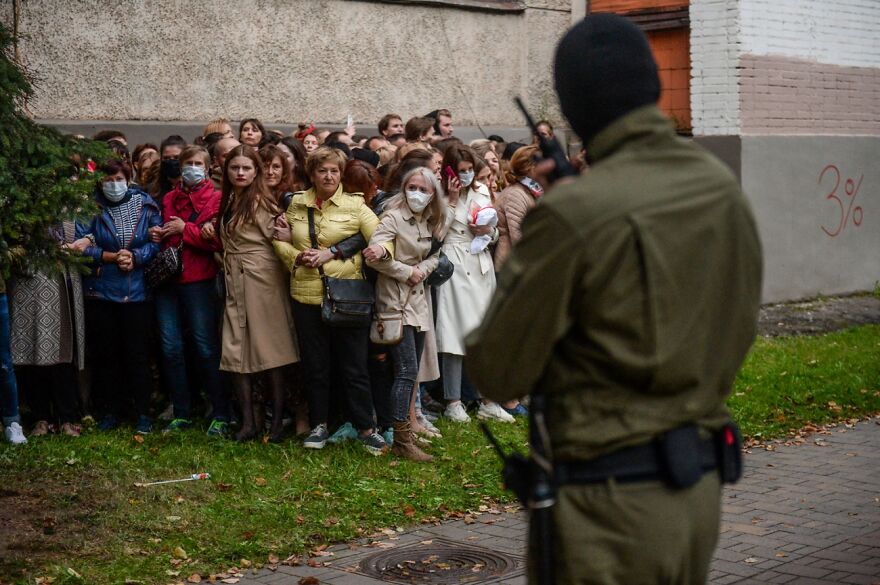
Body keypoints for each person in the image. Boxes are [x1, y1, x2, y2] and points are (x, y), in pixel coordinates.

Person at [464, 15, 763, 585]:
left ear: (574, 111)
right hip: (697, 489)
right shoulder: (721, 188)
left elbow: (498, 370)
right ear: (654, 85)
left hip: (606, 510)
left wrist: (559, 224)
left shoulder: (573, 216)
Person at [272, 146, 387, 455]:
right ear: (312, 173)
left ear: (341, 173)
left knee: (354, 366)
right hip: (305, 295)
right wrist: (297, 256)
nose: (328, 175)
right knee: (316, 365)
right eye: (322, 170)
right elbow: (279, 242)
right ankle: (319, 424)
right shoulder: (296, 204)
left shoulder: (355, 205)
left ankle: (366, 427)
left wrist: (331, 253)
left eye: (334, 170)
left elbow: (381, 236)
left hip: (347, 296)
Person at [217, 145, 300, 442]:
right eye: (234, 168)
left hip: (262, 281)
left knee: (271, 351)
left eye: (246, 168)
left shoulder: (262, 203)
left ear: (256, 172)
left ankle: (276, 423)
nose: (240, 173)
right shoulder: (228, 200)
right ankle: (249, 423)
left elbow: (279, 242)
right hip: (235, 279)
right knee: (235, 350)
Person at [363, 167, 446, 461]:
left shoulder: (433, 220)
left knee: (412, 374)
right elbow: (374, 253)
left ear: (433, 193)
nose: (417, 194)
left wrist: (420, 271)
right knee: (406, 370)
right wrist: (405, 271)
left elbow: (436, 255)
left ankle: (407, 433)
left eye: (424, 189)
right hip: (394, 302)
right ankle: (401, 438)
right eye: (412, 187)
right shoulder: (393, 216)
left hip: (419, 302)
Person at [149, 145, 230, 437]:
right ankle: (181, 411)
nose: (192, 168)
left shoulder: (217, 199)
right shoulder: (169, 198)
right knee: (170, 347)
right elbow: (165, 234)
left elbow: (218, 242)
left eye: (198, 163)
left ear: (208, 168)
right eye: (188, 163)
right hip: (168, 281)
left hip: (199, 279)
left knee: (205, 346)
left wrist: (185, 229)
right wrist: (157, 234)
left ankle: (221, 411)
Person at [78, 159, 162, 434]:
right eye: (108, 179)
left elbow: (155, 242)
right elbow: (80, 246)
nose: (114, 184)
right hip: (101, 290)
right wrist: (109, 257)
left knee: (137, 354)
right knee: (106, 354)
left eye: (119, 178)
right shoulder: (90, 207)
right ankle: (109, 411)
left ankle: (142, 412)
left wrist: (135, 256)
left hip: (136, 291)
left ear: (129, 179)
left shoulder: (146, 204)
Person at [435, 145, 513, 423]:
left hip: (480, 262)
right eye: (461, 171)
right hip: (454, 263)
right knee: (454, 331)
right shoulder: (439, 193)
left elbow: (494, 231)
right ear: (450, 171)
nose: (467, 176)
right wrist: (453, 201)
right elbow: (437, 234)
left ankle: (488, 400)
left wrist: (487, 232)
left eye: (470, 170)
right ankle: (452, 401)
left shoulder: (482, 191)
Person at [10, 220, 85, 437]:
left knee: (63, 350)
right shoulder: (23, 202)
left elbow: (89, 229)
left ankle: (68, 417)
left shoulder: (72, 200)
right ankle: (40, 417)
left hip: (64, 280)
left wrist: (86, 241)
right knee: (33, 351)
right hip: (28, 281)